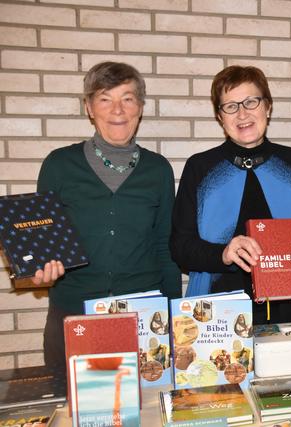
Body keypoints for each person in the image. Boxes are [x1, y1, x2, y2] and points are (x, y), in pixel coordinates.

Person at [34, 61, 182, 370]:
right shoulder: (59, 165)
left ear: (139, 107)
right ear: (89, 107)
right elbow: (41, 241)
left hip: (143, 316)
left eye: (127, 98)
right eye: (105, 98)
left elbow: (164, 246)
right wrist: (36, 267)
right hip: (74, 314)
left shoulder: (158, 169)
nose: (118, 109)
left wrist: (170, 316)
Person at [170, 65, 291, 324]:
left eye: (251, 102)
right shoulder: (200, 168)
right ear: (220, 117)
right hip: (220, 310)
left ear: (267, 107)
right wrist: (223, 253)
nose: (242, 113)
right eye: (230, 106)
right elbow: (180, 247)